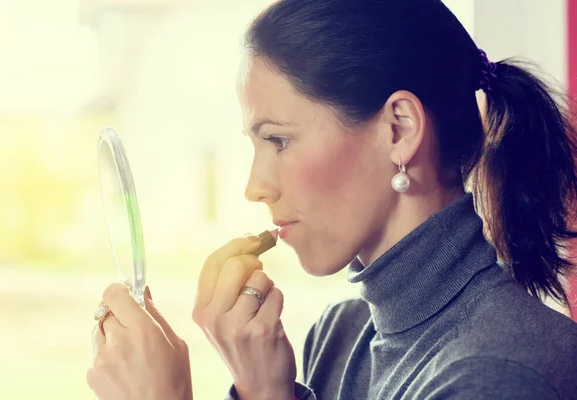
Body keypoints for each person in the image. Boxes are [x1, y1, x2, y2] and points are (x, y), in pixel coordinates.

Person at [85, 0, 577, 399]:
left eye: (278, 140)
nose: (255, 187)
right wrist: (263, 390)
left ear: (399, 129)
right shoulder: (338, 339)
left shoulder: (498, 375)